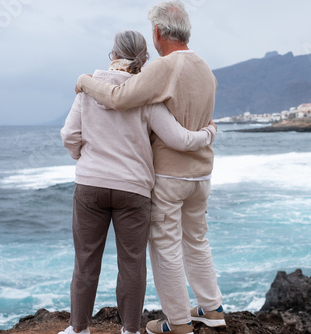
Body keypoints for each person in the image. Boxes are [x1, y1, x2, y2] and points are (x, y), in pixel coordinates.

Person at [75, 1, 225, 333]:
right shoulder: (205, 69)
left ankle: (179, 322)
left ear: (157, 32)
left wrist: (86, 81)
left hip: (171, 175)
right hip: (202, 174)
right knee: (197, 240)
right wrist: (209, 133)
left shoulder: (163, 67)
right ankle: (212, 308)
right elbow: (201, 122)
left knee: (166, 246)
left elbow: (118, 97)